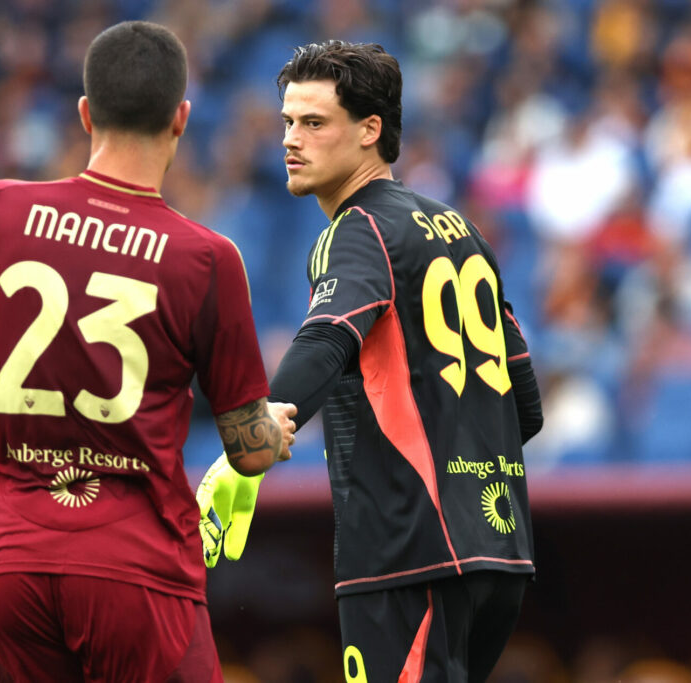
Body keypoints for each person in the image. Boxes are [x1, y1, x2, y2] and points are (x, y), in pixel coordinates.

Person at [0, 21, 296, 683]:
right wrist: (272, 429)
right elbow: (249, 449)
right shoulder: (206, 258)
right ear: (181, 118)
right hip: (135, 569)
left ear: (85, 114)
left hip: (11, 563)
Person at [198, 41, 543, 681]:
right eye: (287, 122)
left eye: (314, 122)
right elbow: (526, 408)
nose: (290, 139)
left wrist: (249, 444)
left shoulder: (357, 229)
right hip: (499, 552)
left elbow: (325, 340)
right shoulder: (462, 230)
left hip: (408, 555)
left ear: (370, 130)